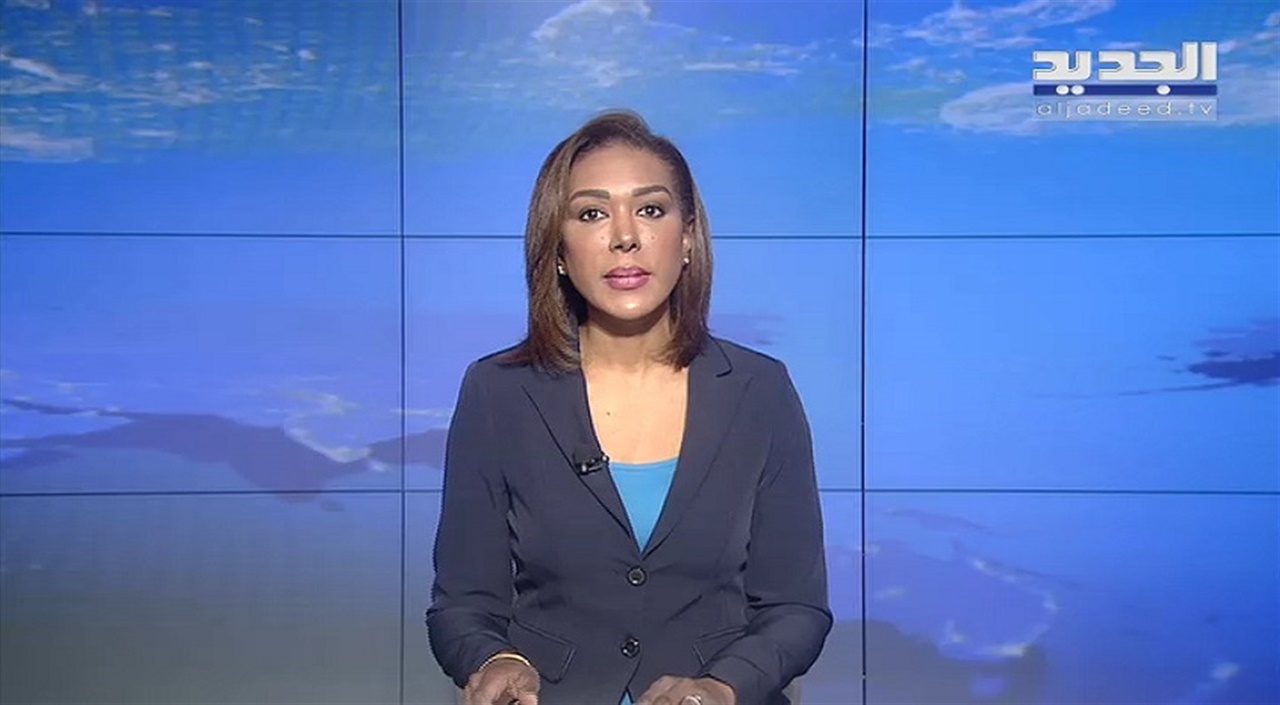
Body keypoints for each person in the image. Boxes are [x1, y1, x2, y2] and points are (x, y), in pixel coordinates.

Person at [426, 109, 831, 705]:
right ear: (557, 249)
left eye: (651, 210)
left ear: (688, 236)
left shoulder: (759, 390)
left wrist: (721, 687)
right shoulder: (498, 392)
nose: (625, 237)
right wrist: (496, 659)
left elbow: (796, 607)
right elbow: (462, 604)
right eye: (592, 214)